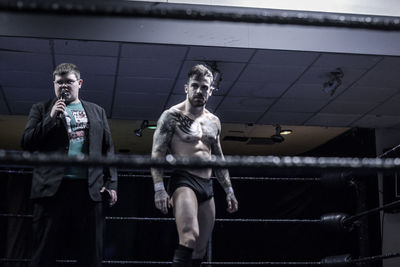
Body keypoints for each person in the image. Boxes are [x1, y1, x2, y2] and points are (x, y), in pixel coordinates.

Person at [21, 63, 117, 267]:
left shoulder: (97, 111)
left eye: (69, 82)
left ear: (79, 83)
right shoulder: (41, 109)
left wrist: (112, 184)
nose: (64, 86)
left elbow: (108, 149)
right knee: (43, 254)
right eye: (60, 82)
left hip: (88, 191)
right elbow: (27, 144)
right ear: (54, 84)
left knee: (91, 255)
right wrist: (50, 117)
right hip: (51, 191)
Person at [151, 64, 239, 267]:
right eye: (195, 85)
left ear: (210, 90)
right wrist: (159, 189)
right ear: (186, 87)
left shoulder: (213, 121)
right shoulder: (171, 116)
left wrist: (229, 190)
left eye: (204, 87)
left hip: (207, 184)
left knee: (200, 248)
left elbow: (218, 156)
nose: (199, 91)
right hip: (184, 180)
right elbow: (157, 154)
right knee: (189, 236)